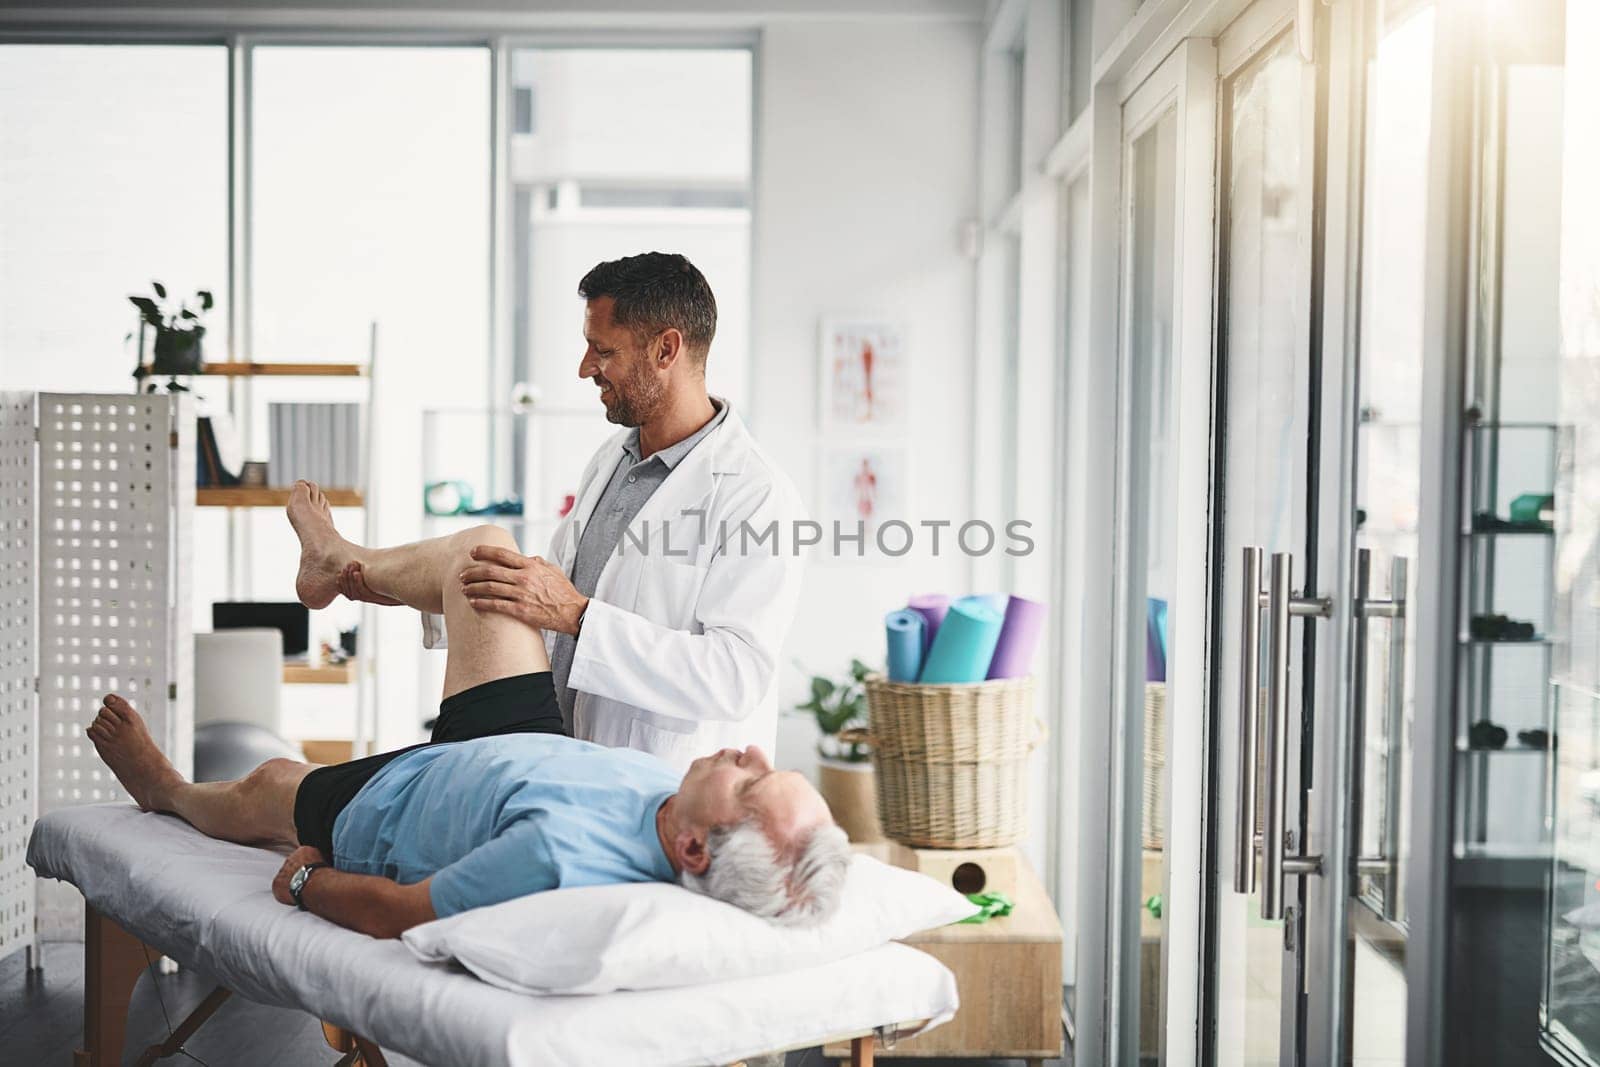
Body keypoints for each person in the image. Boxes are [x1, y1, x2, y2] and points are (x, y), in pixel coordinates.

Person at [84, 487, 849, 938]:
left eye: (751, 786)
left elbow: (404, 910)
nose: (750, 751)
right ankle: (336, 561)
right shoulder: (666, 797)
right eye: (767, 767)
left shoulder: (555, 856)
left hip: (407, 802)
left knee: (270, 784)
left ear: (692, 849)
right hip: (524, 745)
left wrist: (305, 886)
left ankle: (167, 791)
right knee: (490, 555)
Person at [339, 252, 808, 770]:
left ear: (666, 349)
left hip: (661, 785)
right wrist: (432, 592)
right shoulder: (612, 460)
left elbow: (735, 676)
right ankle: (351, 565)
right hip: (563, 760)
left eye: (602, 350)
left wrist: (577, 616)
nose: (586, 368)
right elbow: (543, 605)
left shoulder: (757, 495)